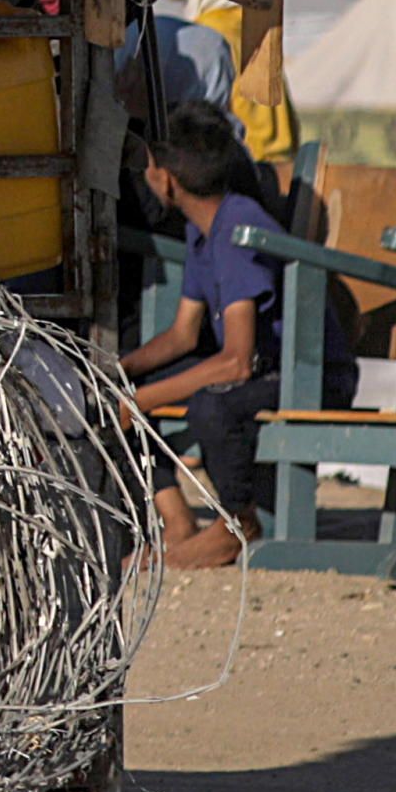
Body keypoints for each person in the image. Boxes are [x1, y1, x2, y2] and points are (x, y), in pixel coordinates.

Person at [125, 101, 291, 570]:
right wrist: (120, 375)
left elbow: (236, 360)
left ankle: (236, 523)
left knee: (211, 402)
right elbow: (182, 335)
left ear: (168, 180)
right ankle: (177, 520)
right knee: (121, 388)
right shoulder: (205, 230)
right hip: (258, 364)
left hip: (297, 369)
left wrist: (142, 401)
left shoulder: (238, 230)